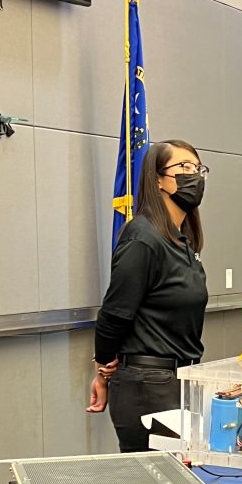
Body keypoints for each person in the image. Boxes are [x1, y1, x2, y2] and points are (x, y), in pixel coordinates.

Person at [87, 139, 209, 452]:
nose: (193, 175)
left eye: (198, 169)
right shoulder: (143, 236)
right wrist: (103, 369)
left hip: (181, 378)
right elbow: (115, 312)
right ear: (157, 179)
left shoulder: (183, 243)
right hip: (148, 384)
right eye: (183, 167)